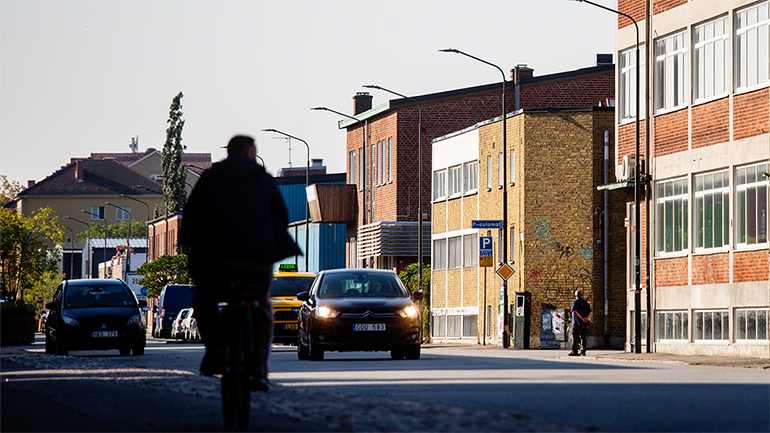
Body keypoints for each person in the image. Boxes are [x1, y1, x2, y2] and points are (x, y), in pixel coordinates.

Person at [178, 135, 300, 390]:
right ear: (247, 153)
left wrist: (190, 247)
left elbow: (189, 218)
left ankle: (217, 350)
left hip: (216, 261)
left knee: (205, 300)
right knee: (262, 308)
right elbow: (283, 216)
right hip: (256, 260)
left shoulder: (210, 179)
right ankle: (258, 369)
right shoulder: (263, 179)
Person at [569, 289, 592, 356]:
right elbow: (590, 312)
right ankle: (583, 351)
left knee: (575, 337)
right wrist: (586, 319)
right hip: (585, 323)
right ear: (582, 295)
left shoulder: (575, 302)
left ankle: (575, 351)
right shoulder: (586, 303)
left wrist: (581, 318)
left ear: (575, 295)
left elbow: (575, 311)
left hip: (577, 323)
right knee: (583, 337)